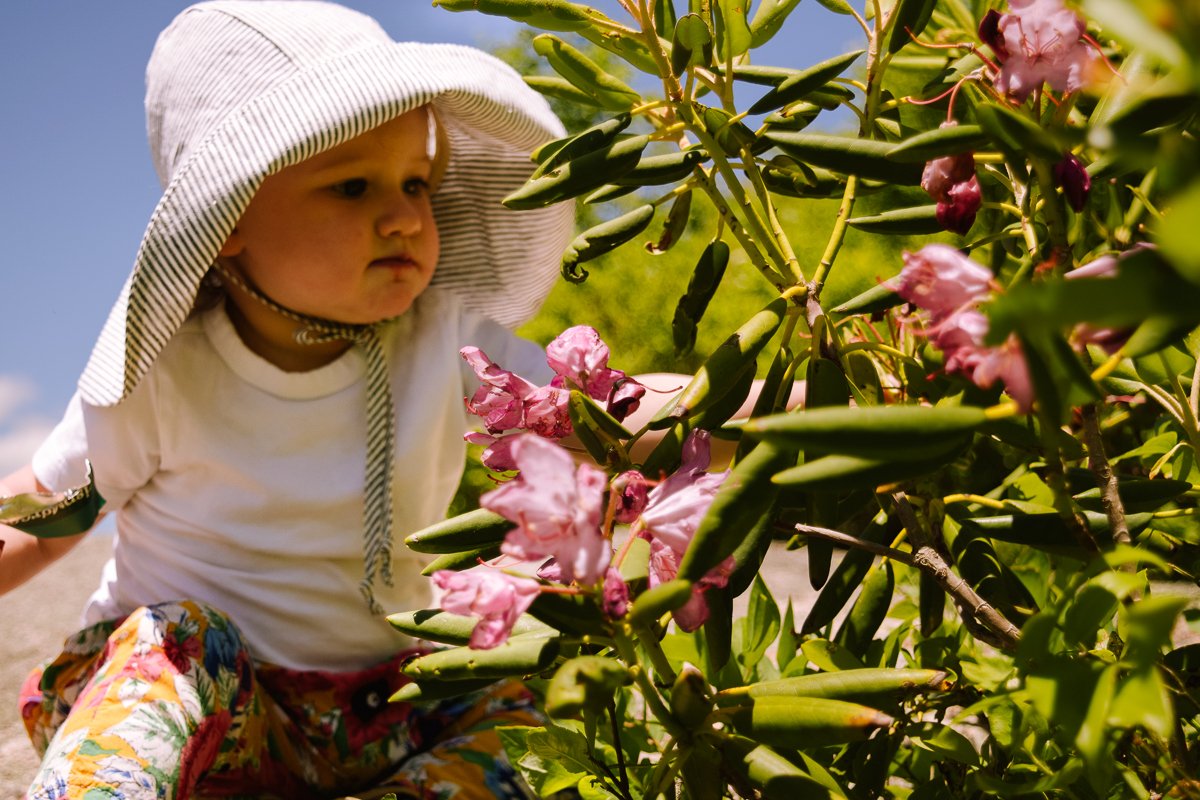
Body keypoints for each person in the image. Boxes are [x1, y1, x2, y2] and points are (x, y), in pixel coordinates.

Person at [0, 2, 581, 797]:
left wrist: (752, 411)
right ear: (228, 216)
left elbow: (597, 416)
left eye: (417, 181)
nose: (406, 216)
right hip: (218, 714)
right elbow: (53, 508)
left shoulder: (450, 339)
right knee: (172, 639)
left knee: (528, 671)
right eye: (351, 186)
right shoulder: (163, 365)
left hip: (387, 705)